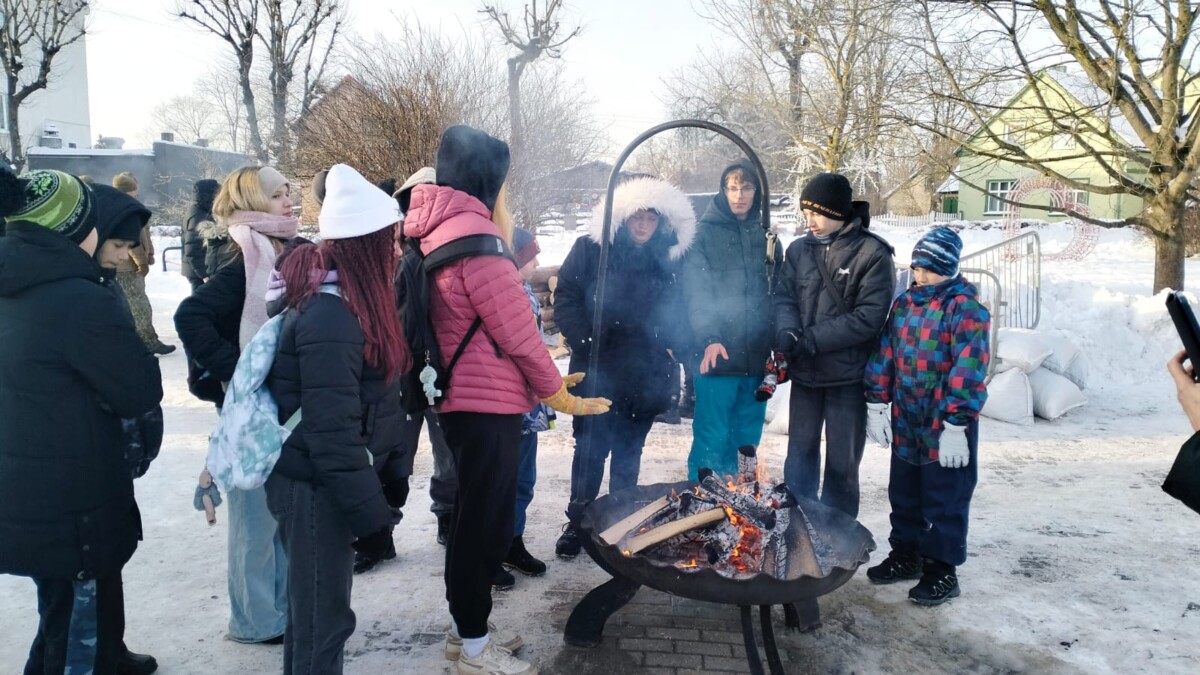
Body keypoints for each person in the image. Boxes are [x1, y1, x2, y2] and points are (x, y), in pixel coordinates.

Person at [402, 125, 610, 675]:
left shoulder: (432, 227)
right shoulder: (478, 237)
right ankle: (472, 647)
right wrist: (558, 393)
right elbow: (518, 331)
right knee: (482, 524)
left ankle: (467, 629)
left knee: (475, 516)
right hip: (486, 403)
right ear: (488, 180)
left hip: (461, 399)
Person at [0, 169, 163, 674]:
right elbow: (136, 389)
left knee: (64, 603)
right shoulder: (78, 298)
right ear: (76, 227)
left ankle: (109, 656)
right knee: (75, 631)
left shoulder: (17, 278)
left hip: (28, 481)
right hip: (74, 493)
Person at [264, 163, 412, 673]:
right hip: (311, 487)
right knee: (319, 622)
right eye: (389, 240)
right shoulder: (330, 315)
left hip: (330, 482)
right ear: (363, 245)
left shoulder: (357, 303)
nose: (397, 249)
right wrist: (371, 517)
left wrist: (391, 471)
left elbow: (377, 402)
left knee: (320, 616)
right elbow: (331, 433)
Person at [174, 165, 298, 645]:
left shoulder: (281, 246)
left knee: (278, 513)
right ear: (250, 198)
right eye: (275, 195)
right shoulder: (240, 251)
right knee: (254, 518)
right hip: (248, 406)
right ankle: (254, 621)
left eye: (288, 192)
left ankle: (279, 610)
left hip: (278, 403)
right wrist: (239, 367)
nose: (287, 201)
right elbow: (192, 315)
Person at [554, 176, 696, 558]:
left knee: (629, 450)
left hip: (645, 370)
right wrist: (584, 337)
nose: (643, 225)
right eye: (637, 216)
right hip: (598, 365)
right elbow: (565, 293)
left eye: (651, 218)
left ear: (661, 222)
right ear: (622, 216)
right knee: (589, 448)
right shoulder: (592, 249)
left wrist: (675, 345)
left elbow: (681, 308)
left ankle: (618, 520)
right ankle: (578, 521)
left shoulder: (667, 257)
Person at [863, 226, 989, 606]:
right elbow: (886, 351)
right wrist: (876, 400)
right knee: (904, 491)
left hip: (945, 420)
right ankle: (907, 554)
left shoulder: (966, 309)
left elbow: (969, 367)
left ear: (949, 267)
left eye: (930, 269)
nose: (921, 276)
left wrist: (957, 422)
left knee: (944, 496)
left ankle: (941, 570)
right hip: (906, 414)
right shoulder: (904, 304)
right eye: (917, 268)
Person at [771, 172, 896, 518]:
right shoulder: (799, 250)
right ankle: (795, 525)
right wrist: (787, 331)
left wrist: (809, 339)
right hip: (807, 378)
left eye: (818, 213)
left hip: (848, 378)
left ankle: (837, 535)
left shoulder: (872, 254)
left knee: (842, 465)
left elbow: (868, 318)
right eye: (806, 212)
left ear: (839, 211)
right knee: (799, 456)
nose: (810, 221)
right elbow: (784, 299)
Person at [681, 160, 782, 480]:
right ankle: (701, 503)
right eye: (733, 188)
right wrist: (709, 337)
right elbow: (697, 293)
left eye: (747, 188)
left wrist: (778, 345)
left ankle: (743, 508)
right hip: (716, 356)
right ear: (723, 191)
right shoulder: (702, 235)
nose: (740, 195)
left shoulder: (767, 237)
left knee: (746, 443)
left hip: (755, 359)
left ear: (758, 192)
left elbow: (779, 294)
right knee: (712, 437)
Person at [502, 226, 554, 584]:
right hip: (509, 403)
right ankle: (495, 546)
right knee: (505, 480)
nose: (537, 263)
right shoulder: (507, 295)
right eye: (531, 256)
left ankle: (512, 541)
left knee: (524, 478)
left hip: (528, 402)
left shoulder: (525, 293)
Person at [111, 171, 175, 355]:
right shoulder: (124, 208)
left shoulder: (121, 205)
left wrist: (150, 252)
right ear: (127, 190)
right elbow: (130, 239)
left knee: (131, 305)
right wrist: (142, 262)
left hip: (127, 265)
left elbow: (144, 232)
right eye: (134, 189)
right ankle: (148, 342)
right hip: (126, 267)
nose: (137, 192)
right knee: (139, 307)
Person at [183, 178, 220, 289]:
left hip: (199, 268)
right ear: (211, 195)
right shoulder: (198, 215)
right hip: (198, 271)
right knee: (201, 303)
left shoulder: (202, 211)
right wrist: (203, 274)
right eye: (218, 193)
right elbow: (193, 248)